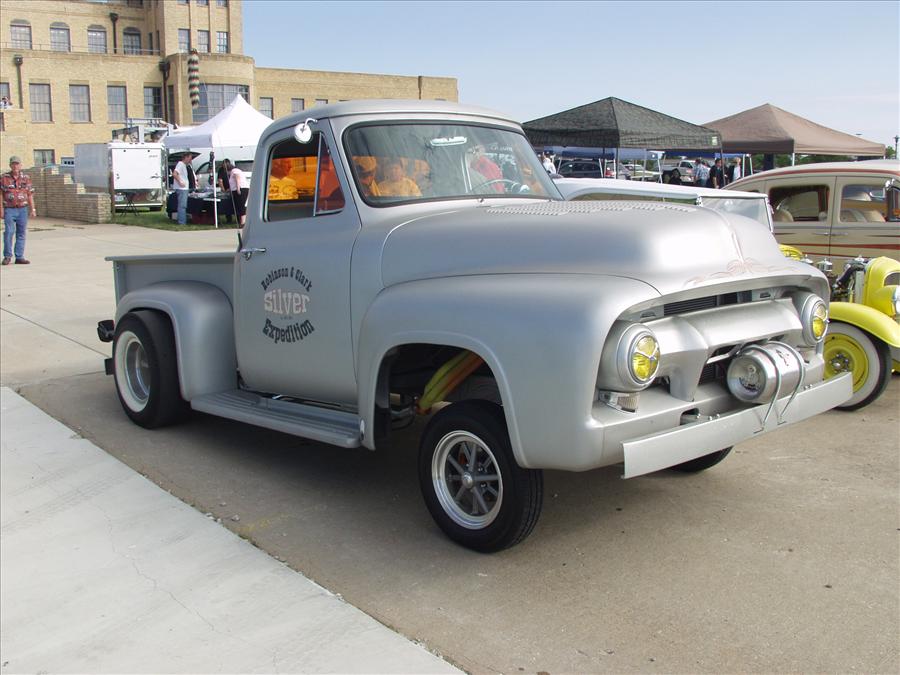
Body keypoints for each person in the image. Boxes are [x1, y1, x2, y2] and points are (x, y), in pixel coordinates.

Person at [1, 156, 36, 265]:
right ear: (10, 165)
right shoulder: (4, 178)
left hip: (22, 209)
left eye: (17, 164)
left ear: (20, 165)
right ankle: (7, 256)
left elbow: (30, 194)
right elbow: (0, 194)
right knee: (9, 232)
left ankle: (19, 257)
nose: (15, 166)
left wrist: (33, 209)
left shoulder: (26, 178)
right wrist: (1, 209)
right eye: (13, 164)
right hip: (9, 209)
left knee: (21, 233)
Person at [225, 158, 250, 225]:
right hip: (239, 189)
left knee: (241, 205)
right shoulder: (236, 170)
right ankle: (241, 221)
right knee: (239, 205)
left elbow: (237, 178)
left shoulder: (234, 171)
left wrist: (238, 188)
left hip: (240, 189)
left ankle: (243, 222)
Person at [172, 150, 194, 225]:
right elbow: (175, 174)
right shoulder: (180, 164)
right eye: (190, 158)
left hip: (184, 188)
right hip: (182, 188)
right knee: (182, 206)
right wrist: (180, 182)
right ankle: (182, 222)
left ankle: (182, 220)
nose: (191, 160)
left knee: (183, 205)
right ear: (186, 157)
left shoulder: (184, 165)